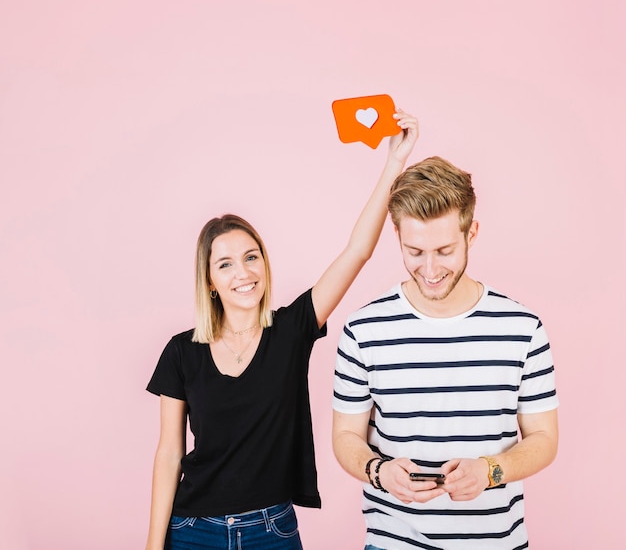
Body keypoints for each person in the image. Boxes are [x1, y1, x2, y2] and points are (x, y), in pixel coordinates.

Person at [145, 109, 419, 550]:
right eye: (226, 264)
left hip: (270, 531)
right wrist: (153, 546)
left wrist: (393, 162)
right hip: (192, 531)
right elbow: (169, 455)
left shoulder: (291, 330)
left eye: (252, 257)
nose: (243, 272)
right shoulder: (181, 352)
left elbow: (357, 251)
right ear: (210, 281)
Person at [332, 156, 559, 550]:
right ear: (398, 236)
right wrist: (379, 471)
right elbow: (346, 435)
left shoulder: (523, 328)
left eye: (444, 250)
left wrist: (491, 470)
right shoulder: (362, 329)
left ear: (472, 233)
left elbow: (543, 438)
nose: (431, 268)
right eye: (414, 251)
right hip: (393, 542)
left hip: (497, 542)